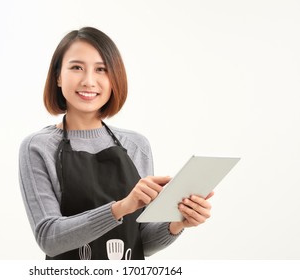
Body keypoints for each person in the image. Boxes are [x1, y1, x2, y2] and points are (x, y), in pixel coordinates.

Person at [19, 26, 213, 260]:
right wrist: (122, 207)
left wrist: (177, 223)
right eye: (77, 67)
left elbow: (139, 243)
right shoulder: (38, 147)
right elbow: (49, 239)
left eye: (101, 69)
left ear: (114, 79)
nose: (89, 81)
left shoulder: (136, 144)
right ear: (58, 77)